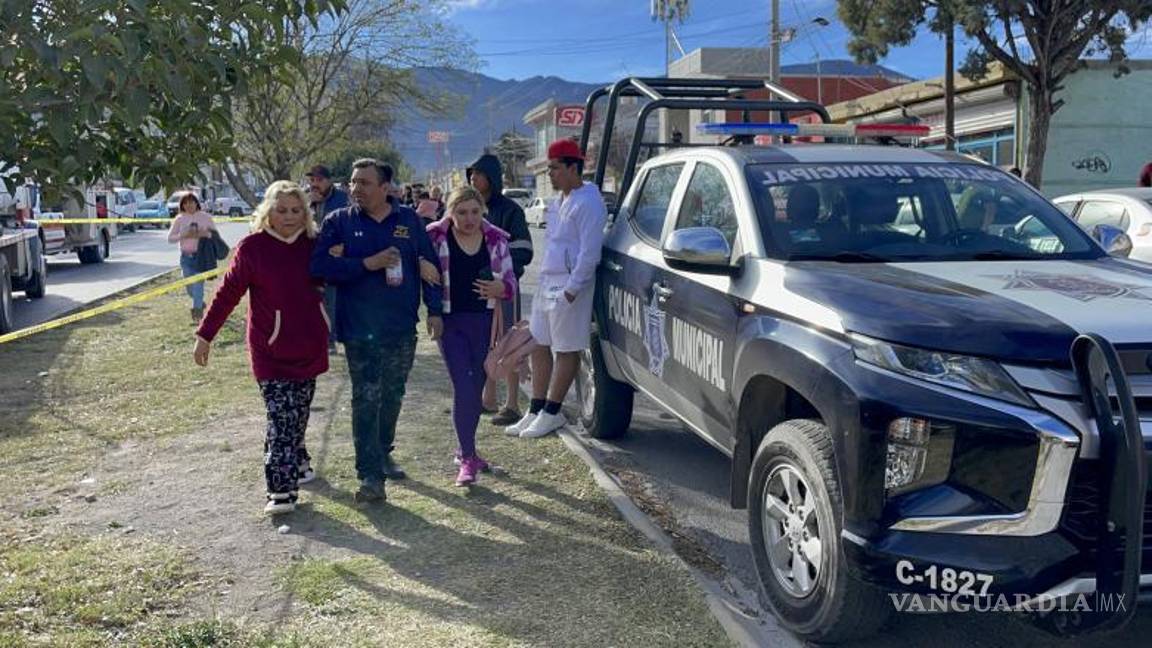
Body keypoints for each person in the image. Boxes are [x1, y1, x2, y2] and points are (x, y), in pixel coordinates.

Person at [310, 159, 444, 503]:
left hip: (400, 326)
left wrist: (435, 310)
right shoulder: (338, 222)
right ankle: (369, 475)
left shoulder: (410, 221)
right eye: (353, 182)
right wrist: (364, 264)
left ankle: (383, 450)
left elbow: (428, 265)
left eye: (365, 183)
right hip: (358, 329)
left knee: (393, 393)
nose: (356, 189)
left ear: (386, 188)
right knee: (366, 397)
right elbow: (319, 267)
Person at [192, 181, 329, 515]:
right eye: (281, 210)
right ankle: (281, 490)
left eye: (296, 211)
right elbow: (227, 294)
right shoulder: (252, 248)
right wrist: (205, 334)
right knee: (281, 417)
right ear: (267, 212)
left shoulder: (316, 245)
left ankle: (297, 461)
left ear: (305, 214)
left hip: (309, 346)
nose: (289, 217)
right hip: (270, 351)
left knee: (297, 414)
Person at [505, 140, 605, 439]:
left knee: (566, 348)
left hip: (569, 286)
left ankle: (553, 411)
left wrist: (572, 290)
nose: (550, 174)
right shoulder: (559, 201)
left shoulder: (589, 202)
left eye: (555, 168)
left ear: (574, 168)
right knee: (540, 343)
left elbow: (590, 253)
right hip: (548, 281)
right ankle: (536, 408)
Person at [425, 186, 517, 485]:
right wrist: (433, 312)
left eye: (475, 212)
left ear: (482, 212)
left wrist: (500, 288)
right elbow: (419, 268)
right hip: (451, 324)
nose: (469, 219)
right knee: (463, 388)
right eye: (462, 212)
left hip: (485, 324)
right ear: (451, 213)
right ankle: (466, 459)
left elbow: (511, 282)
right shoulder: (435, 237)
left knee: (475, 390)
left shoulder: (496, 240)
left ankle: (469, 450)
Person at [466, 153, 534, 426]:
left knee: (510, 342)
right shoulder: (469, 208)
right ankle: (488, 398)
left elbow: (524, 249)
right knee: (483, 342)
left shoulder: (510, 210)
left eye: (479, 174)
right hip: (476, 289)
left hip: (503, 287)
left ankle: (512, 404)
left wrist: (500, 273)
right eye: (471, 174)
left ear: (491, 177)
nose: (473, 178)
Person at [306, 164, 351, 354]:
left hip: (333, 257)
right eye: (312, 180)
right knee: (311, 298)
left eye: (319, 180)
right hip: (310, 256)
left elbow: (351, 223)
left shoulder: (342, 198)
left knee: (331, 299)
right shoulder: (305, 198)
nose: (315, 184)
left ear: (329, 180)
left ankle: (330, 341)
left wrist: (344, 245)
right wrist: (308, 204)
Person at [167, 191, 217, 322]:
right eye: (186, 203)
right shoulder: (179, 219)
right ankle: (199, 303)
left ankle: (197, 317)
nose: (189, 205)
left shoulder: (205, 217)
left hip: (201, 257)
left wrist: (203, 233)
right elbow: (170, 238)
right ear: (182, 205)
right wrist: (183, 235)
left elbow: (214, 235)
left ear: (197, 203)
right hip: (185, 258)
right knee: (190, 289)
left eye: (192, 202)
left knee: (198, 286)